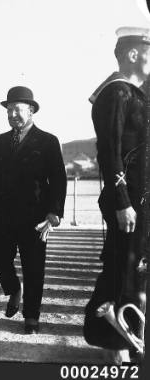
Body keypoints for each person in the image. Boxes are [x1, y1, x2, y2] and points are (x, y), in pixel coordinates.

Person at [84, 27, 150, 362]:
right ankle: (117, 347)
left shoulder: (137, 94)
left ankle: (130, 337)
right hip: (128, 203)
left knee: (135, 270)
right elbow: (109, 152)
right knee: (123, 270)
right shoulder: (117, 93)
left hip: (141, 200)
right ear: (134, 54)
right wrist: (122, 201)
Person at [0, 86, 66, 333]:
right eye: (9, 110)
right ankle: (13, 290)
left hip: (35, 217)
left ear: (31, 110)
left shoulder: (48, 141)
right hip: (3, 216)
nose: (12, 115)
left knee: (33, 267)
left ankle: (31, 316)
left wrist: (54, 214)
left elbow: (59, 180)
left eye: (17, 110)